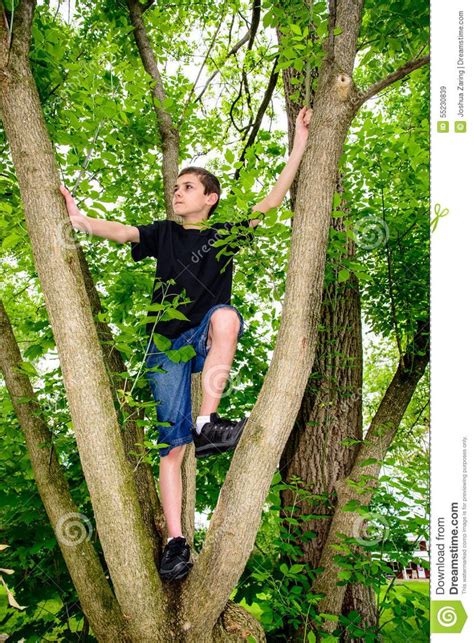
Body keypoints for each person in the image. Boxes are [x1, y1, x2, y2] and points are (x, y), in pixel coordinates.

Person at [60, 105, 312, 582]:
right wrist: (78, 217)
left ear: (211, 198)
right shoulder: (165, 234)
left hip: (203, 336)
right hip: (165, 346)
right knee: (171, 450)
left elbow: (273, 198)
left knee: (226, 317)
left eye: (189, 186)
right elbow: (119, 231)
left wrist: (299, 143)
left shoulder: (224, 236)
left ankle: (208, 421)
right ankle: (177, 542)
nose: (178, 192)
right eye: (175, 187)